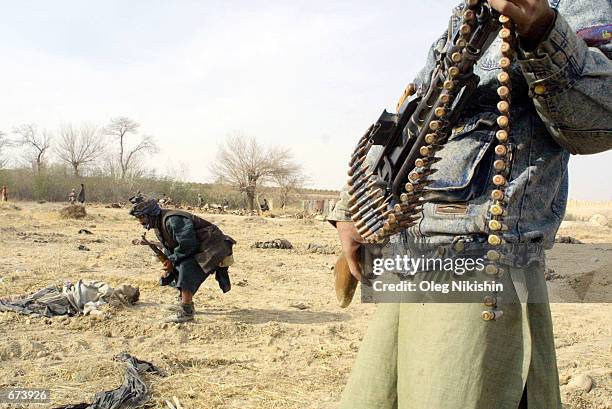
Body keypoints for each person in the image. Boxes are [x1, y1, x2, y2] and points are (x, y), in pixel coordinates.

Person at [328, 1, 611, 408]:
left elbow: (595, 124)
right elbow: (414, 111)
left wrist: (542, 29)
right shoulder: (467, 12)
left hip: (482, 259)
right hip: (413, 253)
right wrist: (354, 204)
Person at [129, 197, 236, 323]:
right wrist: (168, 262)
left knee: (187, 266)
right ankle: (182, 300)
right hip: (199, 246)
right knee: (177, 267)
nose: (140, 221)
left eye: (142, 217)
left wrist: (172, 260)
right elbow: (171, 246)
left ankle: (186, 311)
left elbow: (188, 245)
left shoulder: (173, 220)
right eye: (138, 218)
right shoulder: (159, 224)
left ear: (151, 214)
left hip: (213, 247)